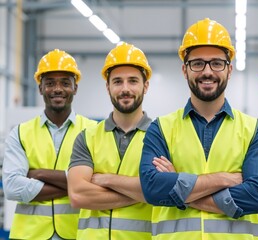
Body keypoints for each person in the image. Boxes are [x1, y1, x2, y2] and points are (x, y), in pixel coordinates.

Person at [140, 18, 258, 240]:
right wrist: (224, 179)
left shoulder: (254, 130)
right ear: (185, 70)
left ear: (229, 70)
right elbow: (153, 188)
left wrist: (180, 189)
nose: (207, 71)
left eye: (217, 63)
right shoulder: (161, 128)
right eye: (198, 63)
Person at [2, 49, 97, 239]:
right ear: (40, 88)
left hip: (77, 234)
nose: (57, 89)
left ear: (75, 88)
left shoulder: (94, 132)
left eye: (65, 83)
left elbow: (100, 182)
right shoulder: (20, 133)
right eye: (50, 83)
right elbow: (12, 187)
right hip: (30, 235)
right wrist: (77, 185)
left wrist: (39, 174)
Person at [67, 42, 153, 239]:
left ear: (145, 85)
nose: (125, 89)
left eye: (133, 81)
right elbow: (78, 195)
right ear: (108, 87)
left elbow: (159, 191)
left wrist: (107, 179)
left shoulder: (161, 136)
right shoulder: (87, 137)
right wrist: (139, 193)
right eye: (117, 82)